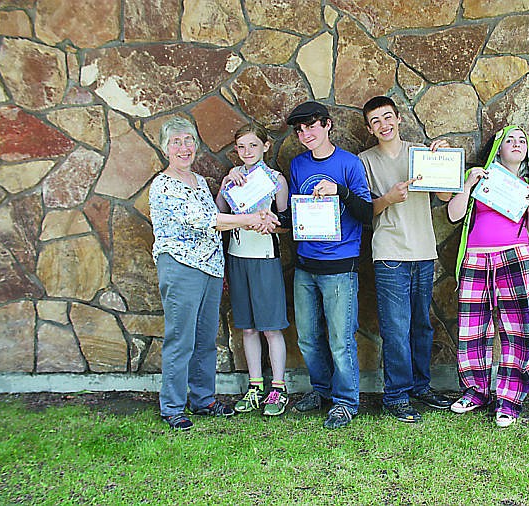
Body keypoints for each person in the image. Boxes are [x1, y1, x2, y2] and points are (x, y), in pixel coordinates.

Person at [149, 117, 279, 430]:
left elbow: (215, 221)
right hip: (181, 267)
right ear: (165, 148)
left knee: (206, 339)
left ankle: (203, 399)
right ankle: (173, 406)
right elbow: (207, 221)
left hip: (208, 269)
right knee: (181, 340)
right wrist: (251, 219)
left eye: (188, 141)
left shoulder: (199, 181)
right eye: (176, 142)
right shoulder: (163, 185)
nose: (184, 148)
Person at [358, 96, 452, 423]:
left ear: (398, 119)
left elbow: (444, 195)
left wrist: (445, 161)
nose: (383, 125)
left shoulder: (422, 153)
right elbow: (361, 211)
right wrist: (388, 198)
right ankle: (396, 394)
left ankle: (420, 386)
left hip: (423, 251)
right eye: (376, 122)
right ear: (370, 129)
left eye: (387, 118)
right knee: (395, 328)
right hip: (389, 253)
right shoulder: (364, 161)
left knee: (421, 326)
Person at [447, 125, 529, 427]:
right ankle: (476, 391)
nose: (516, 145)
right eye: (509, 140)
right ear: (498, 148)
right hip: (476, 259)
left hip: (514, 258)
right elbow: (453, 215)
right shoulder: (479, 177)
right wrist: (467, 186)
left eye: (522, 141)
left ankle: (509, 400)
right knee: (472, 329)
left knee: (515, 331)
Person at [286, 101, 373, 429]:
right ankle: (322, 392)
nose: (305, 134)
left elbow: (367, 214)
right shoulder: (297, 165)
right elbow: (295, 213)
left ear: (327, 125)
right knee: (307, 337)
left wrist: (340, 192)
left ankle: (346, 402)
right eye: (300, 130)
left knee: (340, 339)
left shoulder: (349, 164)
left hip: (340, 265)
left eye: (311, 127)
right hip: (306, 264)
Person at [215, 123, 290, 417]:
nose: (247, 152)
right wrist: (225, 185)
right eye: (242, 147)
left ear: (265, 146)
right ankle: (255, 385)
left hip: (265, 255)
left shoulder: (275, 179)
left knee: (270, 327)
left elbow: (285, 221)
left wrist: (272, 221)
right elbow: (218, 213)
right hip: (237, 255)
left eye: (253, 146)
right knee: (247, 327)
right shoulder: (233, 178)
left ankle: (278, 387)